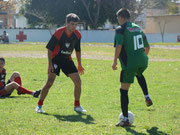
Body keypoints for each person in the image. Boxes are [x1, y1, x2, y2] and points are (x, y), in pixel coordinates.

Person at [35, 13, 86, 113]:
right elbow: (50, 49)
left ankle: (77, 106)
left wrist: (79, 64)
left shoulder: (78, 35)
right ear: (66, 23)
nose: (74, 26)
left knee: (78, 81)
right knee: (49, 82)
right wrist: (50, 64)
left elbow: (78, 50)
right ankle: (39, 105)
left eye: (76, 24)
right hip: (55, 59)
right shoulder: (59, 32)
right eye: (72, 24)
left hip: (67, 60)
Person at [112, 8, 153, 127]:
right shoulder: (137, 27)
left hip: (130, 63)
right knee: (139, 73)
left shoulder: (120, 29)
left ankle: (125, 119)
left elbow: (119, 46)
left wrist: (114, 61)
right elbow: (148, 47)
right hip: (143, 61)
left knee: (123, 90)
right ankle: (147, 96)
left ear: (120, 17)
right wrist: (141, 58)